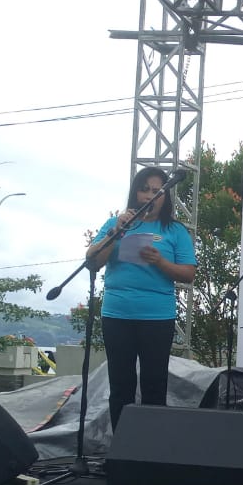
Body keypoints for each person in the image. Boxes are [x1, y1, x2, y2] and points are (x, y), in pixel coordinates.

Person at [87, 167, 196, 430]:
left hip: (157, 317)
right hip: (117, 314)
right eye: (144, 189)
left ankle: (150, 446)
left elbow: (188, 273)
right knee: (120, 385)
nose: (149, 195)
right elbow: (92, 261)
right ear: (135, 193)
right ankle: (121, 444)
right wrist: (115, 232)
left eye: (157, 191)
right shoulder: (115, 224)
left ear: (165, 197)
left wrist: (160, 262)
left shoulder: (175, 230)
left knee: (154, 384)